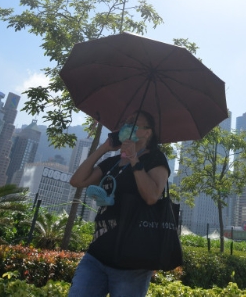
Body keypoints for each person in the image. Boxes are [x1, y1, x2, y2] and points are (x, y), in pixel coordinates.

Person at [68, 110, 170, 297]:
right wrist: (104, 148)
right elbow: (77, 181)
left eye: (133, 122)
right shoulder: (113, 162)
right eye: (125, 122)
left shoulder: (156, 159)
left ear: (147, 132)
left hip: (132, 262)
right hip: (97, 254)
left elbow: (152, 196)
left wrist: (134, 159)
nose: (126, 125)